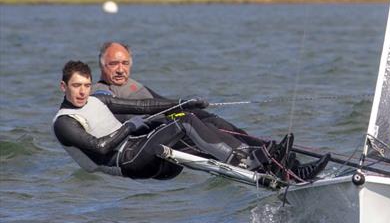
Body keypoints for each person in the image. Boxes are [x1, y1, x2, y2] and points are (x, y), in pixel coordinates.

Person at [54, 61, 329, 182]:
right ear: (63, 86)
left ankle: (285, 169)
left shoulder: (97, 100)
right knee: (183, 122)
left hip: (142, 149)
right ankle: (246, 161)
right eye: (76, 86)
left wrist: (184, 102)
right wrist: (129, 126)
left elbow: (144, 105)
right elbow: (101, 148)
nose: (82, 91)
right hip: (127, 161)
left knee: (195, 116)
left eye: (87, 85)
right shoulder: (64, 122)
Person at [93, 41, 242, 134]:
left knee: (207, 117)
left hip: (167, 119)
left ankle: (259, 147)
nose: (120, 69)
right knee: (190, 120)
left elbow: (162, 101)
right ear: (101, 65)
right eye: (113, 64)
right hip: (156, 130)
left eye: (125, 63)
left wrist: (187, 105)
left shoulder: (133, 85)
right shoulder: (101, 90)